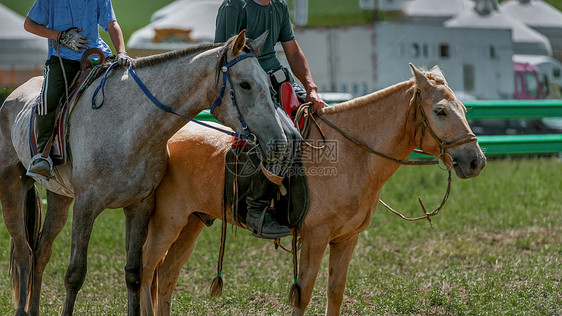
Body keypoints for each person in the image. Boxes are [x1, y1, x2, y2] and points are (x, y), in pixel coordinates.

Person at [215, 0, 325, 238]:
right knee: (291, 139)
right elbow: (221, 58)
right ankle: (256, 211)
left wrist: (310, 88)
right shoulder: (234, 7)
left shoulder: (279, 6)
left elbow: (293, 51)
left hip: (278, 80)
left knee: (322, 122)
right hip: (250, 88)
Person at [24, 0, 132, 179]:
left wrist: (121, 52)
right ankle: (41, 156)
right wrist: (60, 36)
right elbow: (29, 24)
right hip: (61, 59)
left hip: (96, 56)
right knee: (48, 99)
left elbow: (111, 23)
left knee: (124, 90)